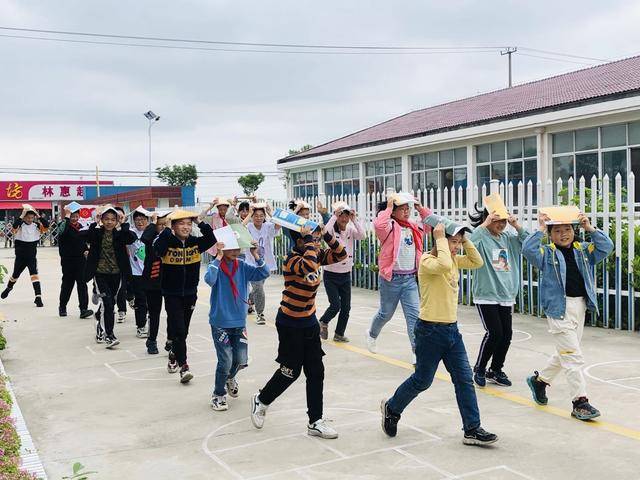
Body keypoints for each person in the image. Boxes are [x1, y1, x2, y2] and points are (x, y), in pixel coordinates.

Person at [381, 220, 498, 446]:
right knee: (422, 381)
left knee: (464, 380)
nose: (456, 247)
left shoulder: (453, 259)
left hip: (452, 332)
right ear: (440, 240)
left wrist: (464, 240)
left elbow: (477, 261)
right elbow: (443, 264)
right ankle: (392, 407)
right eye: (453, 242)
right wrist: (441, 238)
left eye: (458, 242)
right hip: (429, 332)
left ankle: (472, 429)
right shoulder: (427, 261)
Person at [250, 224, 346, 439]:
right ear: (300, 242)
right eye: (311, 240)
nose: (317, 243)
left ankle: (315, 421)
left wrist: (326, 234)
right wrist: (311, 239)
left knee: (316, 371)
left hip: (309, 322)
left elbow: (341, 254)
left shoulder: (315, 252)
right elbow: (310, 265)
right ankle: (261, 400)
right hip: (289, 323)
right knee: (290, 371)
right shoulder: (292, 260)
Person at [523, 211, 613, 421]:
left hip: (579, 306)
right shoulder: (547, 254)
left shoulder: (583, 250)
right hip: (558, 309)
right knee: (573, 357)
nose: (563, 234)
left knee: (566, 352)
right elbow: (528, 250)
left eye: (567, 229)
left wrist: (589, 228)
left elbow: (606, 247)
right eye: (557, 230)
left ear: (574, 231)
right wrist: (540, 229)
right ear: (550, 234)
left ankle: (540, 381)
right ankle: (579, 402)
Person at [468, 202, 529, 388]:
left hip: (506, 294)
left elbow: (527, 241)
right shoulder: (481, 236)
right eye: (497, 220)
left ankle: (495, 369)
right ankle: (479, 368)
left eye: (503, 220)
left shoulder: (508, 238)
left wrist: (516, 225)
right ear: (489, 219)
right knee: (494, 333)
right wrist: (485, 223)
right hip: (486, 293)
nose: (501, 224)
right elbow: (469, 243)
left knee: (506, 334)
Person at [205, 239, 270, 411]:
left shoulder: (241, 266)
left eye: (237, 247)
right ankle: (218, 394)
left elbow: (264, 273)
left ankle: (229, 378)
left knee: (241, 360)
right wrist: (218, 257)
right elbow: (209, 280)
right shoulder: (216, 265)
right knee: (225, 360)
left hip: (239, 322)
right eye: (230, 247)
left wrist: (256, 255)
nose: (235, 251)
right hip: (220, 322)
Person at [153, 209, 216, 384]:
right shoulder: (166, 241)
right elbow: (157, 249)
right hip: (171, 293)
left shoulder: (195, 243)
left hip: (190, 293)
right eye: (181, 223)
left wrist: (199, 222)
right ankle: (184, 366)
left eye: (189, 223)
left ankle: (174, 352)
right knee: (179, 329)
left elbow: (212, 239)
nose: (186, 227)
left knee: (184, 330)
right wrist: (166, 229)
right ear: (173, 226)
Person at [366, 193, 431, 354]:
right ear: (394, 212)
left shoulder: (413, 226)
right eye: (402, 209)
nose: (406, 212)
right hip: (391, 279)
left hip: (409, 280)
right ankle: (372, 334)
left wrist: (420, 208)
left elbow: (429, 225)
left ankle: (417, 353)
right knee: (385, 314)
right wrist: (388, 207)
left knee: (414, 318)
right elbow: (379, 225)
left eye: (407, 208)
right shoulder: (390, 226)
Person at [84, 205, 137, 348]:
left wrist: (123, 223)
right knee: (107, 304)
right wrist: (95, 223)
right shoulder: (97, 232)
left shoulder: (120, 233)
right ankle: (110, 335)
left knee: (109, 304)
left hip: (117, 274)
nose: (109, 222)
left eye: (113, 219)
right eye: (106, 219)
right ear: (101, 219)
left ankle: (99, 324)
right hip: (100, 274)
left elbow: (132, 238)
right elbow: (86, 237)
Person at [317, 201, 365, 342]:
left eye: (346, 216)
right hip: (331, 274)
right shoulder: (332, 231)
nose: (344, 219)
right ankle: (323, 321)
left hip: (345, 274)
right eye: (341, 216)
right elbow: (325, 230)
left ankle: (339, 333)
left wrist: (354, 219)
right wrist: (334, 215)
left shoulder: (350, 230)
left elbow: (362, 236)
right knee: (335, 305)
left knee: (346, 307)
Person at [1, 204, 49, 306]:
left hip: (31, 256)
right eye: (28, 217)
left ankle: (38, 297)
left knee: (34, 275)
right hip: (20, 257)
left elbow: (46, 226)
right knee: (15, 276)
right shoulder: (20, 225)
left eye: (32, 217)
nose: (30, 220)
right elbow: (14, 226)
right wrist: (22, 214)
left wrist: (38, 215)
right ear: (24, 217)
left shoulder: (36, 226)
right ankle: (9, 288)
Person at [242, 203, 281, 325]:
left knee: (257, 289)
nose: (258, 218)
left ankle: (249, 300)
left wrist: (270, 212)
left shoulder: (268, 226)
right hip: (251, 263)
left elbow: (279, 224)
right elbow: (240, 228)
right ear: (252, 217)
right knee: (259, 288)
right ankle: (260, 314)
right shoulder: (248, 226)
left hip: (265, 264)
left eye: (261, 215)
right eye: (256, 216)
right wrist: (249, 213)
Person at [140, 211, 171, 355]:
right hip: (153, 281)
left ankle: (171, 340)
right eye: (160, 225)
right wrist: (153, 223)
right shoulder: (150, 237)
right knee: (154, 313)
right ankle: (152, 340)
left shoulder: (172, 238)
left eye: (166, 225)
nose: (163, 227)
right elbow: (145, 238)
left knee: (173, 313)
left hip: (170, 281)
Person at [57, 205, 93, 319]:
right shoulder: (63, 225)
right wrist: (67, 217)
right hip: (67, 260)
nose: (75, 218)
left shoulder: (81, 227)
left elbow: (85, 242)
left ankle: (83, 309)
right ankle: (62, 307)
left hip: (81, 261)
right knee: (67, 284)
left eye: (76, 216)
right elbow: (63, 233)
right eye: (72, 216)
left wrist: (87, 250)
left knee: (82, 284)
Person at [127, 207, 152, 339]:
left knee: (150, 301)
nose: (140, 222)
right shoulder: (131, 233)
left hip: (151, 273)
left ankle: (150, 323)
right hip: (136, 273)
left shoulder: (152, 232)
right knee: (141, 300)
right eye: (137, 220)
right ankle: (141, 326)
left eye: (142, 219)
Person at [114, 206, 129, 323]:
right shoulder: (107, 230)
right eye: (116, 216)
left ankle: (122, 310)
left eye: (121, 216)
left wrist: (123, 225)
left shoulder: (127, 230)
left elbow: (128, 238)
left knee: (122, 288)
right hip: (108, 266)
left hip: (124, 264)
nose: (119, 219)